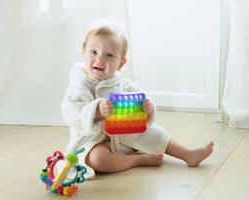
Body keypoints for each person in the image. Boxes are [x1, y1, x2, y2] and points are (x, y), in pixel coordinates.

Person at [61, 24, 214, 179]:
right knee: (98, 159)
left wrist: (146, 108)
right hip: (94, 140)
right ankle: (137, 160)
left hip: (124, 135)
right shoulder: (79, 84)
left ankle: (188, 154)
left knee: (155, 133)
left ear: (121, 63)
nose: (100, 59)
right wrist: (97, 112)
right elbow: (72, 112)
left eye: (109, 55)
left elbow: (141, 98)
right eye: (94, 52)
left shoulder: (122, 83)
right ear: (83, 51)